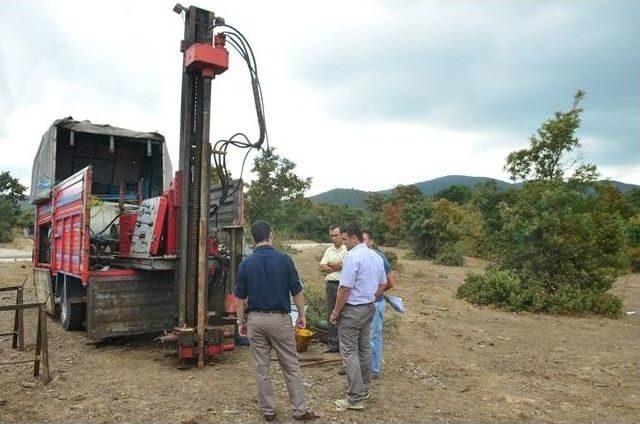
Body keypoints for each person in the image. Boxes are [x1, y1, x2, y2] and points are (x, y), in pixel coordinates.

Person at [234, 220, 319, 422]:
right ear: (270, 235)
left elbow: (239, 297)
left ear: (253, 239)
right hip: (280, 320)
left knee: (261, 368)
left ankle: (269, 411)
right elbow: (296, 291)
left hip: (256, 319)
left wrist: (240, 321)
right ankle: (300, 410)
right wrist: (302, 315)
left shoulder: (246, 263)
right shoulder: (284, 260)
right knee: (290, 366)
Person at [329, 223, 387, 411]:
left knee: (349, 352)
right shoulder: (375, 256)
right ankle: (364, 389)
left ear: (354, 238)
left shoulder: (353, 257)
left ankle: (355, 397)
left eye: (345, 239)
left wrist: (336, 312)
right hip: (369, 307)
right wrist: (371, 296)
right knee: (364, 349)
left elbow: (345, 288)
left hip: (353, 310)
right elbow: (383, 284)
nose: (344, 243)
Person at [362, 229, 396, 379]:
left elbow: (390, 283)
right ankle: (363, 367)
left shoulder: (379, 258)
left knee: (373, 337)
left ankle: (374, 369)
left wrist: (376, 294)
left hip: (376, 304)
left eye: (365, 240)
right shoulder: (357, 257)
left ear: (371, 241)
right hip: (362, 305)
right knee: (362, 337)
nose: (362, 243)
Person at [319, 224, 347, 353]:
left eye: (336, 235)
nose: (334, 238)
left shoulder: (347, 249)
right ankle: (333, 344)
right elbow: (322, 266)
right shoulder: (329, 250)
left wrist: (331, 265)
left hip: (343, 285)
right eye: (331, 236)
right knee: (331, 313)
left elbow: (344, 265)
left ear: (342, 235)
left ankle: (344, 345)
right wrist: (336, 266)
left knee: (344, 314)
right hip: (330, 284)